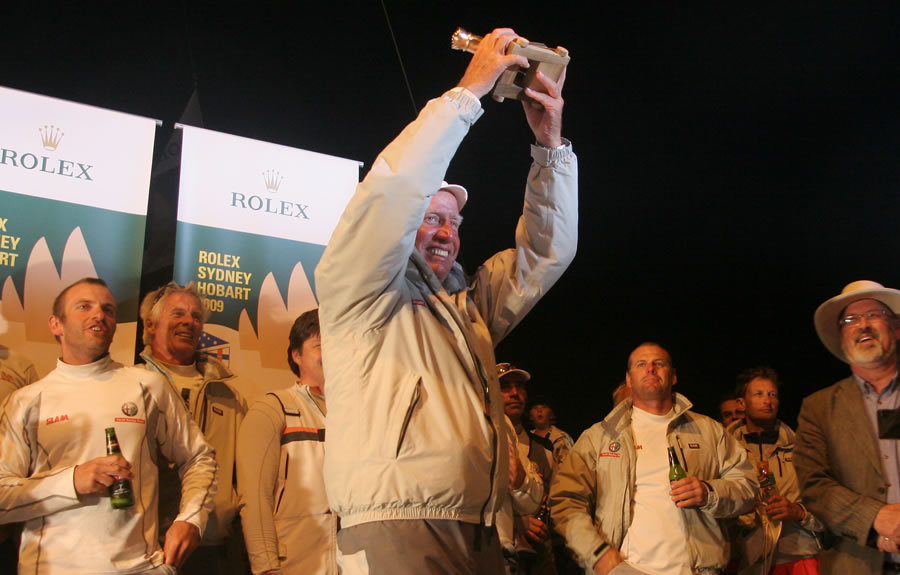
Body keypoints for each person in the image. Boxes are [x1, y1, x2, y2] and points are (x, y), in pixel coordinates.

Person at [314, 27, 578, 573]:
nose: (445, 233)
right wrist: (467, 94)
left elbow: (548, 253)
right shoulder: (359, 288)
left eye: (454, 223)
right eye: (431, 218)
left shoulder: (468, 309)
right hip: (395, 521)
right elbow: (393, 192)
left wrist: (550, 145)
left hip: (479, 523)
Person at [0, 277, 217, 574]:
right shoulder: (26, 401)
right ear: (56, 325)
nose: (99, 315)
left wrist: (191, 519)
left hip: (139, 567)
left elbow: (199, 457)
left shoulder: (147, 386)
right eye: (84, 307)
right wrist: (72, 482)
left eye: (108, 309)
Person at [549, 342, 756, 575]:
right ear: (629, 379)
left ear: (673, 376)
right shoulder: (599, 437)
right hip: (625, 570)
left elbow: (748, 486)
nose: (650, 369)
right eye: (641, 364)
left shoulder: (708, 430)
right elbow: (565, 500)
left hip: (697, 570)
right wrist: (597, 554)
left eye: (659, 363)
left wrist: (709, 492)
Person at [138, 281, 248, 574]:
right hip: (143, 546)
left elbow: (245, 474)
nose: (189, 321)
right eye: (178, 314)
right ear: (151, 325)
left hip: (210, 548)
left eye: (196, 316)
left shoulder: (230, 396)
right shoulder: (129, 385)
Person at [794, 280, 900, 574]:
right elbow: (814, 486)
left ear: (896, 328)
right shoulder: (818, 408)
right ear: (842, 338)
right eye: (851, 319)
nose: (863, 325)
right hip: (855, 564)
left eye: (875, 315)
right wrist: (876, 517)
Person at [236, 309, 337, 575]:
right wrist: (267, 567)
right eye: (320, 345)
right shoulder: (272, 409)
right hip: (295, 564)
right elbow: (255, 500)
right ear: (296, 355)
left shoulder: (359, 413)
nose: (331, 351)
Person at [727, 367, 823, 575]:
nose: (767, 401)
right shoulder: (725, 450)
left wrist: (798, 512)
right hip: (745, 560)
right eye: (758, 394)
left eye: (772, 395)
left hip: (797, 557)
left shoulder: (803, 448)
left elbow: (827, 502)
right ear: (742, 403)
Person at [499, 363, 557, 574]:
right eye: (505, 386)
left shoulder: (545, 449)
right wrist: (517, 523)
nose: (514, 393)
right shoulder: (482, 441)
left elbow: (555, 501)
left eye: (519, 386)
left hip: (540, 559)